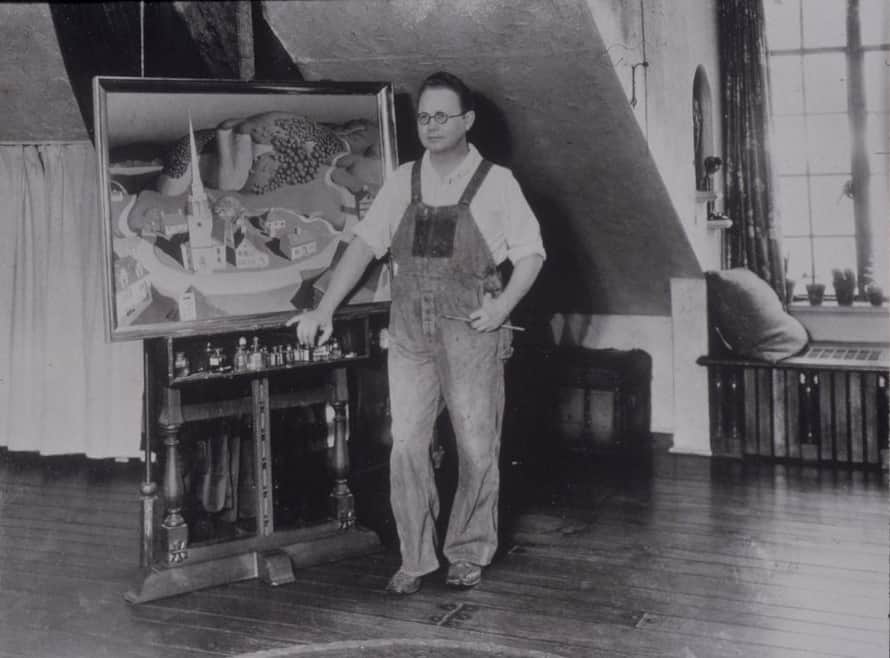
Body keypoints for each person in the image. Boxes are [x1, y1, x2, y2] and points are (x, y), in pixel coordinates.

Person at [287, 71, 545, 595]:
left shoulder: (497, 182)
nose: (431, 125)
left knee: (475, 447)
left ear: (467, 121)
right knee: (406, 445)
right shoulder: (403, 179)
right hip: (409, 331)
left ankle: (468, 552)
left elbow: (531, 254)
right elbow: (362, 246)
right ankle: (416, 557)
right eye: (423, 116)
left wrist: (501, 309)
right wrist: (324, 310)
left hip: (471, 330)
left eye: (442, 116)